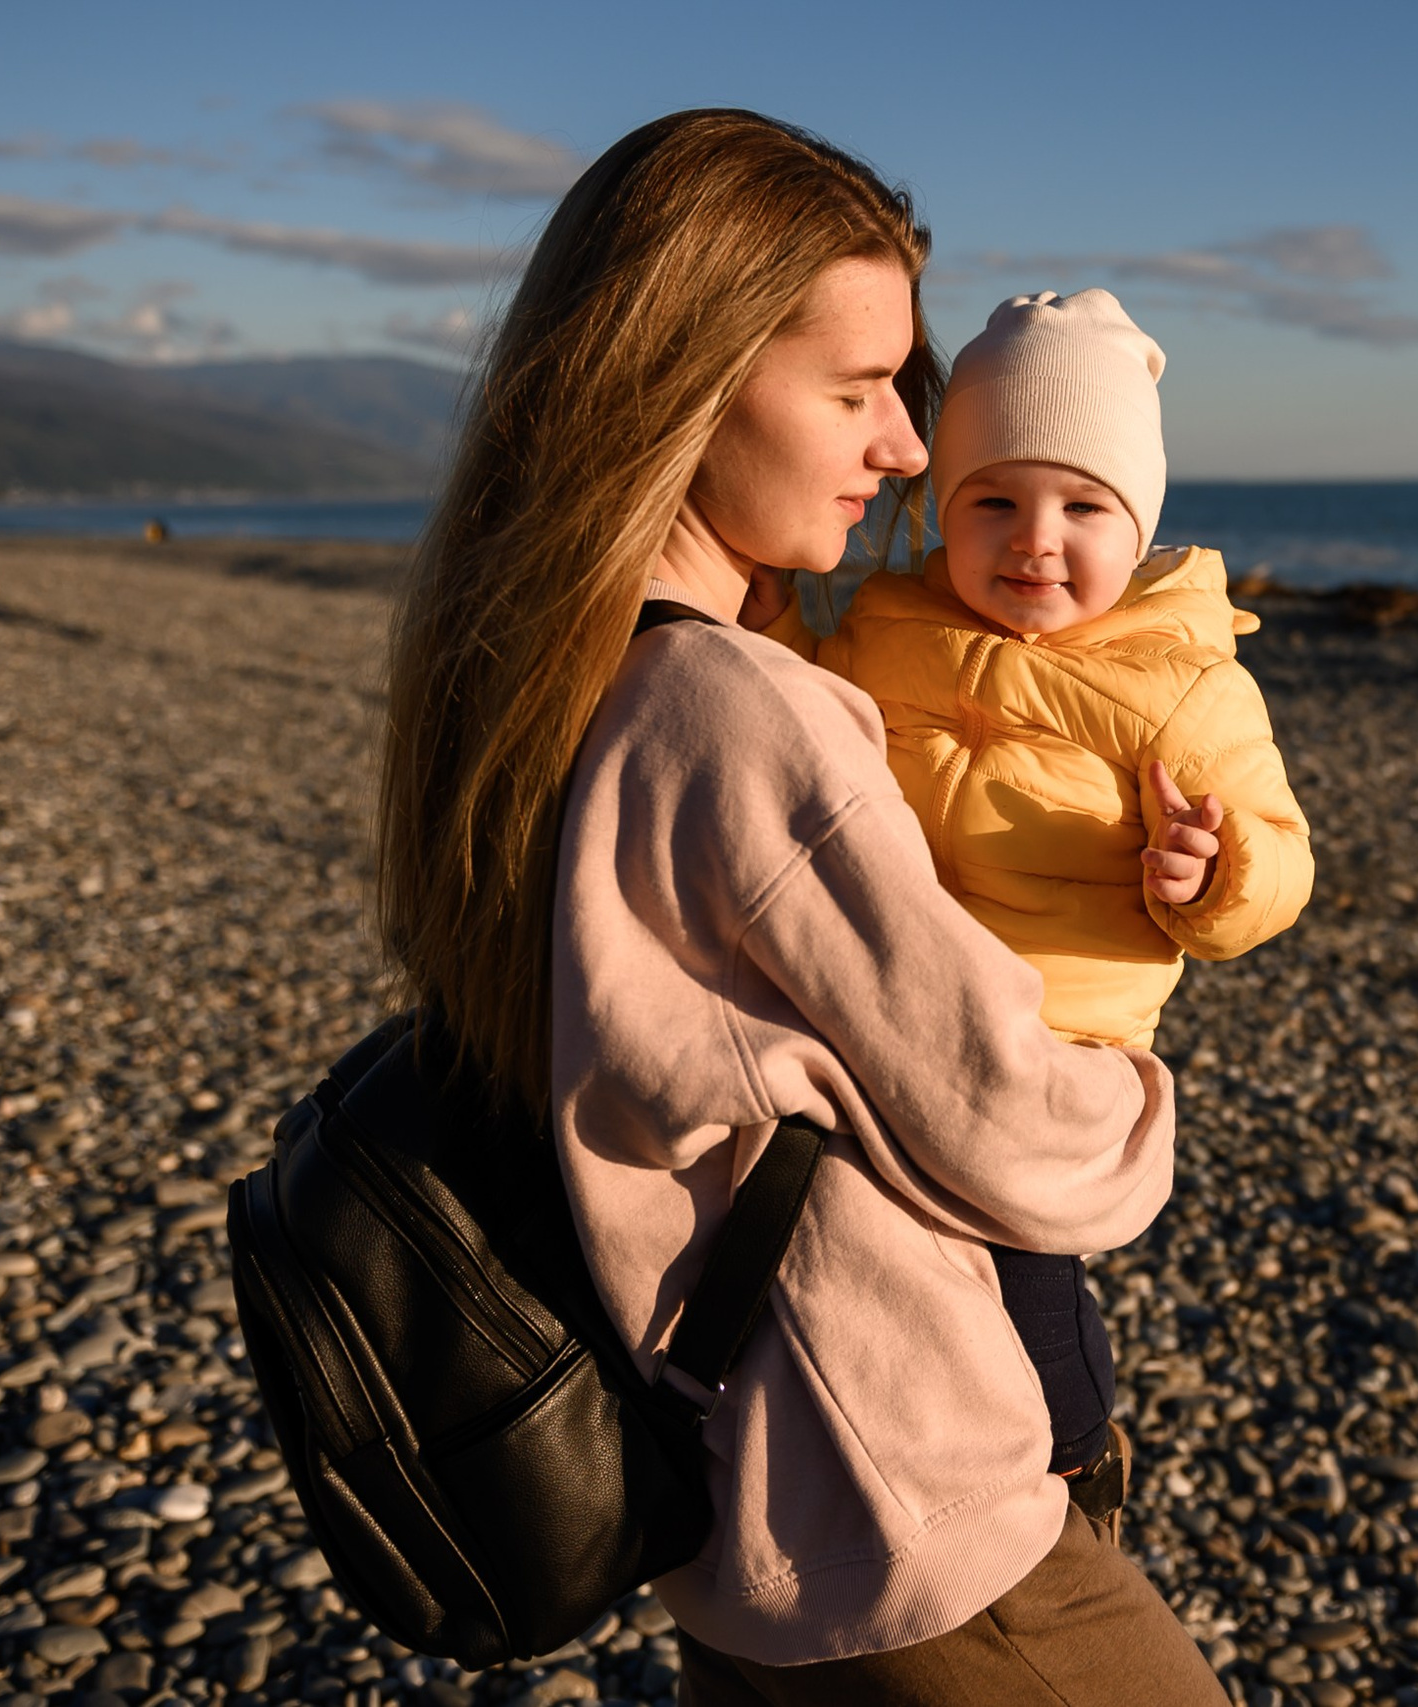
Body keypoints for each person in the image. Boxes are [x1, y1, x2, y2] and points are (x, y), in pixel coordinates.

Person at [373, 110, 1225, 1704]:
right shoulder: (734, 710)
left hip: (741, 1490)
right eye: (856, 393)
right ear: (679, 381)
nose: (908, 449)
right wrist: (1134, 1086)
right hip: (899, 1498)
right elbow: (1015, 1127)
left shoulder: (543, 674)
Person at [768, 288, 1315, 1494]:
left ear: (1139, 525)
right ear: (939, 512)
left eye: (1082, 506)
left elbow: (1281, 854)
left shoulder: (1184, 685)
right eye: (994, 502)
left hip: (1049, 1047)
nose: (1034, 538)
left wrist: (1215, 871)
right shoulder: (880, 626)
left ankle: (1074, 1466)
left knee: (1025, 1271)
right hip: (888, 1011)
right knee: (863, 1253)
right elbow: (792, 704)